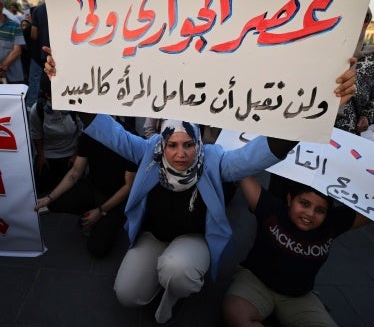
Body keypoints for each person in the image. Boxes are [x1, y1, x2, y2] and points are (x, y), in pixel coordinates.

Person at [43, 47, 356, 324]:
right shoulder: (147, 152)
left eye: (189, 145)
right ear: (161, 144)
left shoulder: (215, 159)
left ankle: (174, 295)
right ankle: (162, 275)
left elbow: (259, 154)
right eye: (173, 145)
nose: (181, 154)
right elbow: (107, 130)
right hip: (153, 237)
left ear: (199, 143)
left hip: (193, 242)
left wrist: (320, 107)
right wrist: (66, 83)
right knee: (127, 294)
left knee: (177, 270)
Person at [222, 176, 370, 327]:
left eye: (320, 210)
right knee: (235, 312)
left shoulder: (332, 224)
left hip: (299, 297)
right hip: (256, 282)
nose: (310, 214)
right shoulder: (272, 210)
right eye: (304, 204)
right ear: (289, 199)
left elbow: (369, 208)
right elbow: (241, 171)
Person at [34, 119, 138, 258]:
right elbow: (76, 172)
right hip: (93, 187)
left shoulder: (130, 138)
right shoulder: (90, 133)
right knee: (56, 201)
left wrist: (101, 211)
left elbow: (128, 186)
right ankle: (90, 216)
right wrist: (49, 197)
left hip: (116, 199)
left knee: (97, 249)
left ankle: (110, 221)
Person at [29, 75, 82, 196]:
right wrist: (41, 156)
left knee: (71, 192)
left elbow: (82, 133)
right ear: (47, 95)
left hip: (70, 154)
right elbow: (36, 135)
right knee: (41, 190)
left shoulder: (76, 107)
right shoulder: (37, 110)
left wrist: (75, 156)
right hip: (48, 156)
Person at [335, 7, 373, 135]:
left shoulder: (371, 58)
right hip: (311, 128)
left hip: (348, 135)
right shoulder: (321, 53)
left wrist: (367, 116)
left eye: (364, 20)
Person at [0, 0, 25, 84]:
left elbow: (17, 50)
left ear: (1, 5)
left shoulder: (14, 25)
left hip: (13, 76)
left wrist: (2, 67)